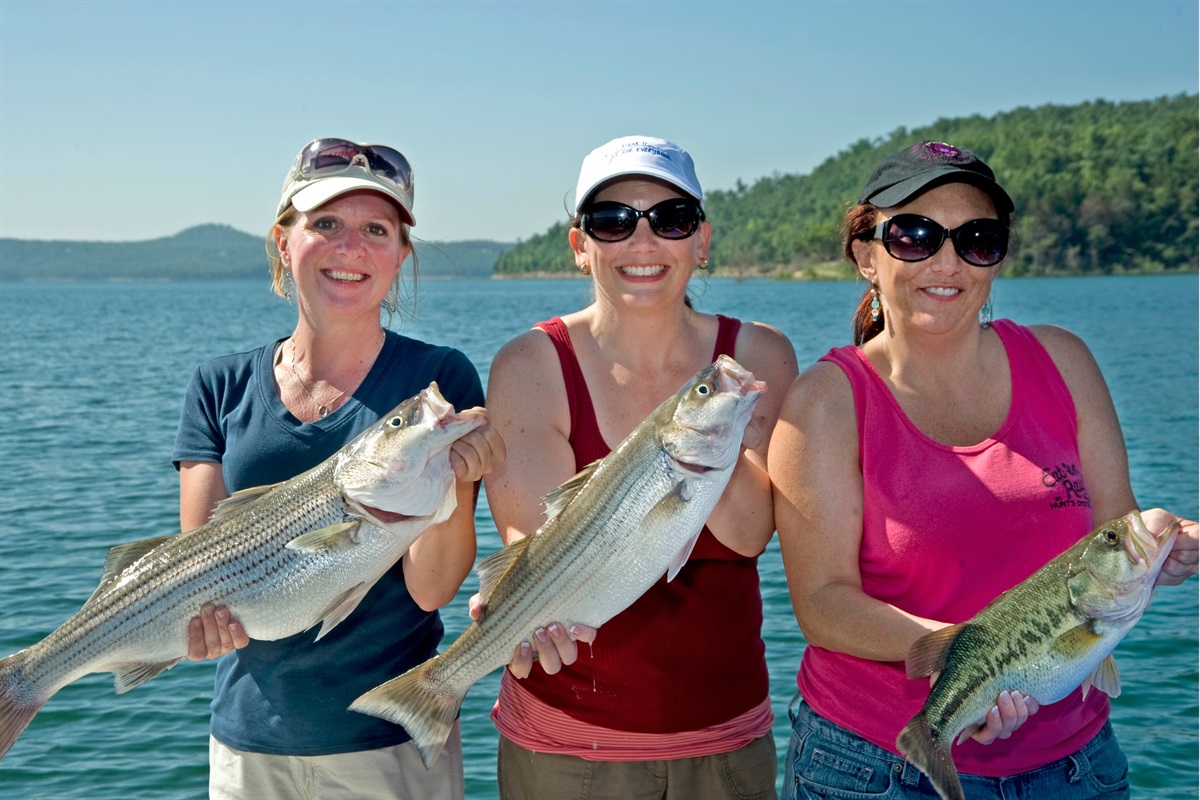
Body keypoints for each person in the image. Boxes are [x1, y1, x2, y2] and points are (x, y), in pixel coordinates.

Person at [769, 140, 1199, 800]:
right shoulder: (824, 402)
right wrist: (975, 662)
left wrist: (1166, 544)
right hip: (875, 769)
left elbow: (1116, 524)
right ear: (866, 256)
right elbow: (823, 603)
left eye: (976, 238)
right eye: (914, 236)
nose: (947, 261)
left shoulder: (1064, 361)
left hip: (1076, 765)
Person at [172, 137, 504, 800]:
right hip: (247, 744)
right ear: (282, 241)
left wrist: (457, 481)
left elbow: (434, 589)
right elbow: (199, 567)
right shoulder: (218, 385)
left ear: (401, 255)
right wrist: (195, 622)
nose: (350, 247)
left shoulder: (438, 381)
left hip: (390, 740)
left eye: (376, 230)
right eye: (325, 224)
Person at [483, 135, 798, 800]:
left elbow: (745, 532)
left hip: (727, 742)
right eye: (612, 221)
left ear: (702, 241)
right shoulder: (530, 365)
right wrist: (516, 611)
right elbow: (529, 538)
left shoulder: (758, 355)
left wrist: (700, 405)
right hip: (565, 745)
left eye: (671, 220)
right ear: (580, 246)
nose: (643, 241)